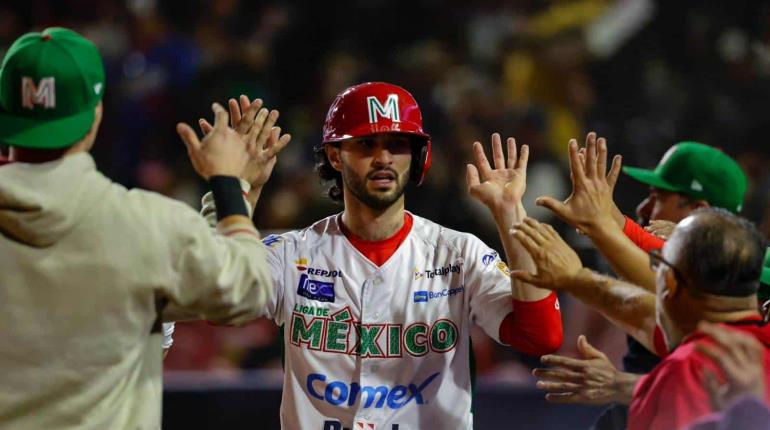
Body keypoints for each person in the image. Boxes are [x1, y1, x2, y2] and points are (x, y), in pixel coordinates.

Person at [194, 82, 564, 429]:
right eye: (367, 145)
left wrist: (511, 214)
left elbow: (541, 336)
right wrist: (238, 188)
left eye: (397, 144)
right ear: (335, 157)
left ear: (417, 155)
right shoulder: (295, 253)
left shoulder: (458, 254)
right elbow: (214, 297)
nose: (383, 158)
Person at [0, 28, 285, 429]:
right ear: (94, 116)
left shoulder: (148, 231)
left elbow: (191, 275)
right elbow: (245, 289)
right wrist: (227, 184)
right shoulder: (143, 225)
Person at [532, 134, 748, 429]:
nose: (644, 208)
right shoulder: (727, 278)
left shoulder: (740, 286)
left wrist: (601, 230)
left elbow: (668, 283)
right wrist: (608, 223)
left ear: (698, 212)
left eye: (658, 197)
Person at [509, 207, 769, 430]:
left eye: (658, 265)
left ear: (669, 283)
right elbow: (643, 311)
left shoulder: (688, 370)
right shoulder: (751, 343)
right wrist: (577, 277)